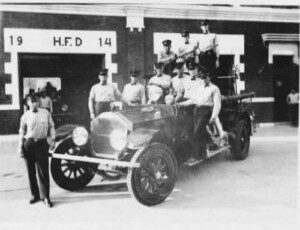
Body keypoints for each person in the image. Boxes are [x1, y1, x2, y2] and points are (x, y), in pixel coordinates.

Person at [18, 95, 55, 207]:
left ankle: (46, 197)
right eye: (32, 101)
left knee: (43, 172)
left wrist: (52, 140)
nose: (34, 104)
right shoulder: (25, 116)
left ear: (38, 103)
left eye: (36, 102)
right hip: (28, 144)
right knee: (30, 172)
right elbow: (21, 132)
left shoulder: (45, 113)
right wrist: (20, 147)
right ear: (27, 103)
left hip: (41, 144)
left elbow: (52, 126)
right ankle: (35, 195)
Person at [177, 70, 221, 165]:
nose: (203, 80)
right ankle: (204, 153)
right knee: (198, 132)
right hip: (196, 110)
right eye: (202, 78)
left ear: (209, 77)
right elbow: (193, 100)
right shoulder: (199, 88)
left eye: (205, 78)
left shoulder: (214, 88)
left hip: (206, 111)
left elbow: (217, 104)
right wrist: (181, 103)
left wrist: (213, 117)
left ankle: (195, 157)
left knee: (196, 133)